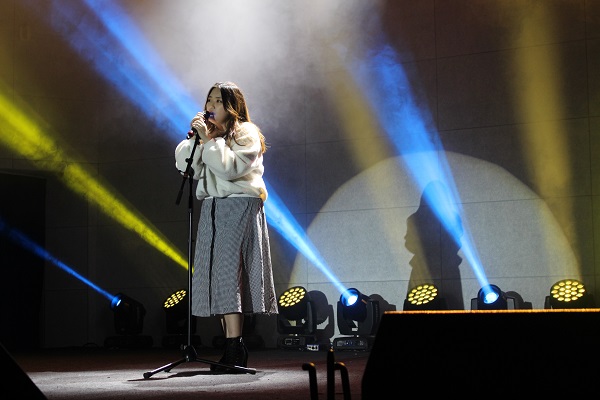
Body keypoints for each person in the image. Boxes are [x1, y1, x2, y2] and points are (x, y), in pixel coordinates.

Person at [174, 81, 278, 373]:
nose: (211, 106)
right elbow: (187, 167)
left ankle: (235, 346)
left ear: (232, 106)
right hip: (213, 206)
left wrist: (209, 141)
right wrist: (197, 139)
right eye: (209, 100)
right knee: (217, 275)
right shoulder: (209, 135)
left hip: (238, 204)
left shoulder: (245, 132)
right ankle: (232, 346)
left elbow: (229, 168)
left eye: (218, 101)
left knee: (230, 272)